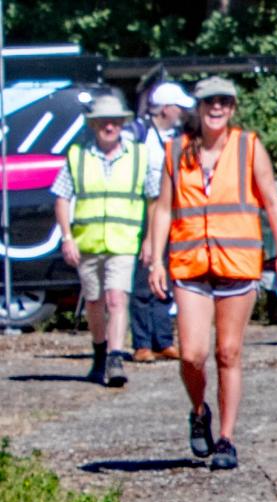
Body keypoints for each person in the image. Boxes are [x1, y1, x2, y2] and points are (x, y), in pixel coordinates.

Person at [145, 77, 277, 470]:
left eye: (224, 102)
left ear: (232, 108)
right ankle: (199, 411)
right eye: (210, 102)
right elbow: (163, 208)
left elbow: (273, 204)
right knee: (192, 354)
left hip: (237, 262)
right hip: (190, 261)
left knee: (228, 352)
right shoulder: (176, 151)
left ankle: (227, 439)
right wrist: (156, 258)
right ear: (198, 107)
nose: (217, 108)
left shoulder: (249, 147)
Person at [53, 95, 160, 387]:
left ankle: (115, 357)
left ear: (122, 124)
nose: (109, 126)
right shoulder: (78, 155)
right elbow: (62, 198)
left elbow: (154, 200)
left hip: (124, 242)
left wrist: (150, 239)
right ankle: (99, 351)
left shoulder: (138, 156)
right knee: (94, 301)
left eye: (114, 121)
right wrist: (67, 237)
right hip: (88, 244)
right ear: (94, 125)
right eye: (103, 121)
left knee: (117, 298)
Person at [128, 83, 193, 363]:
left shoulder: (178, 136)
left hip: (173, 217)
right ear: (166, 108)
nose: (182, 112)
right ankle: (142, 343)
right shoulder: (140, 136)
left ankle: (163, 340)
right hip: (144, 214)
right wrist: (147, 236)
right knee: (143, 283)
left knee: (166, 280)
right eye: (178, 106)